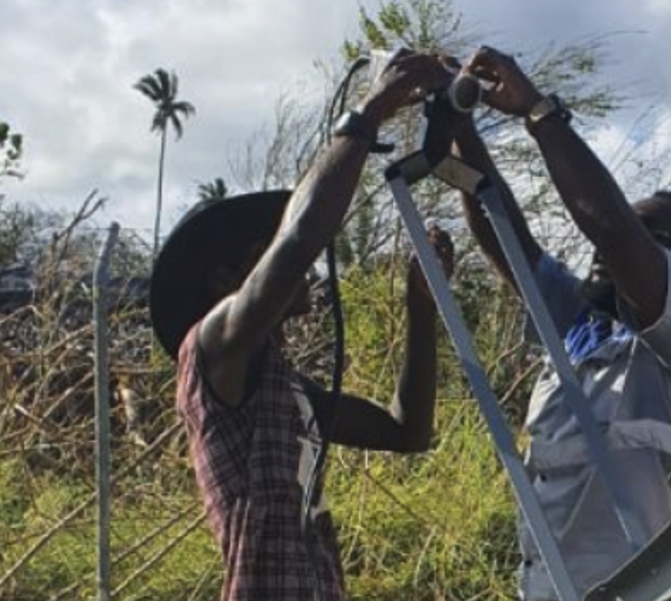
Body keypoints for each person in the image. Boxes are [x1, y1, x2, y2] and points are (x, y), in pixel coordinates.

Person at [148, 50, 456, 601]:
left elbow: (406, 431)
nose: (303, 268)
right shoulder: (211, 351)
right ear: (226, 280)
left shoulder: (287, 392)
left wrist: (421, 304)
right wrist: (368, 113)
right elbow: (297, 243)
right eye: (259, 254)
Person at [452, 46, 671, 599]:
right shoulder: (581, 328)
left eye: (649, 236)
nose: (604, 248)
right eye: (630, 228)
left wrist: (538, 112)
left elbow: (609, 228)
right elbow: (505, 236)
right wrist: (462, 127)